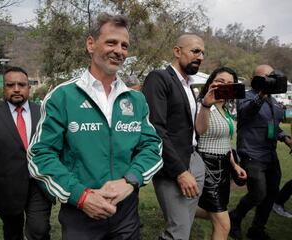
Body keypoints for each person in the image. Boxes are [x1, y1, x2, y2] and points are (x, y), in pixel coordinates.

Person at [27, 13, 163, 239]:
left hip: (126, 213)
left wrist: (129, 181)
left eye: (124, 45)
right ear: (91, 44)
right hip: (80, 213)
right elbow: (40, 155)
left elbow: (153, 147)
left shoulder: (136, 100)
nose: (119, 51)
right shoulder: (62, 96)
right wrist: (81, 196)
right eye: (111, 42)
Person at [0, 66, 53, 240]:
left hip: (39, 185)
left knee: (40, 230)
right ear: (4, 88)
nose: (16, 89)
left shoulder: (45, 113)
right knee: (12, 232)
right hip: (6, 189)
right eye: (10, 85)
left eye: (21, 84)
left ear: (29, 88)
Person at [143, 34, 206, 240]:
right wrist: (180, 171)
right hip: (173, 167)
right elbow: (156, 128)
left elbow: (191, 127)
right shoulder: (159, 78)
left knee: (184, 227)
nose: (201, 56)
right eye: (195, 51)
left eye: (203, 53)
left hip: (194, 160)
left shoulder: (189, 86)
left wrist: (207, 104)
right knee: (177, 231)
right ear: (177, 51)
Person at [229, 64, 292, 240]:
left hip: (270, 155)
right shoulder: (245, 96)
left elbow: (272, 126)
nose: (270, 80)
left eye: (272, 76)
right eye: (266, 77)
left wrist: (285, 138)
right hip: (251, 154)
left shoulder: (274, 102)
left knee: (272, 193)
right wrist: (261, 96)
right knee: (258, 193)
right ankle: (234, 217)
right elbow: (246, 113)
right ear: (255, 79)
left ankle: (257, 229)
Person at [194, 67, 247, 240]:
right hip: (207, 165)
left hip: (224, 166)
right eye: (220, 81)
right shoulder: (200, 105)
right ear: (211, 82)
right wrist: (206, 105)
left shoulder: (227, 109)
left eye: (230, 83)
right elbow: (200, 130)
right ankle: (180, 208)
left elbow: (226, 142)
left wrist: (234, 164)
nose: (224, 86)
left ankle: (182, 208)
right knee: (224, 224)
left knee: (216, 214)